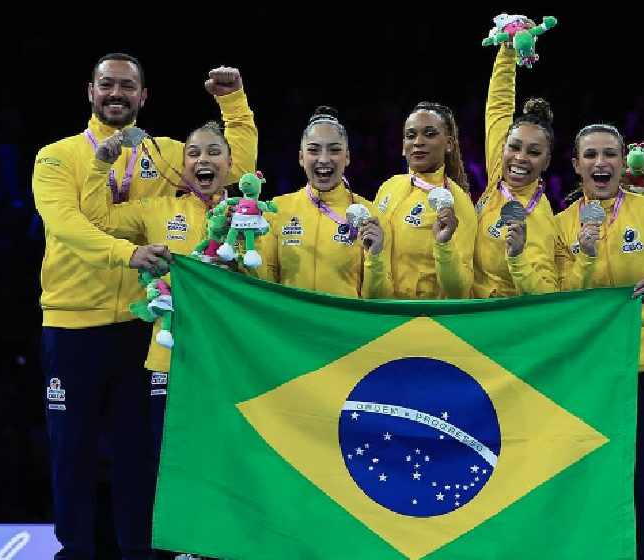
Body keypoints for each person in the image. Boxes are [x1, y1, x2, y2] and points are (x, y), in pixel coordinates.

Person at [31, 53, 257, 559]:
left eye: (127, 86)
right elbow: (71, 223)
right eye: (107, 84)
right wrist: (128, 253)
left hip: (143, 327)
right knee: (72, 454)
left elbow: (231, 167)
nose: (117, 93)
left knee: (139, 456)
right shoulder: (56, 156)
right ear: (90, 92)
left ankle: (138, 552)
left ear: (143, 96)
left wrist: (232, 102)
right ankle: (76, 552)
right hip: (73, 325)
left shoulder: (166, 153)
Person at [555, 124, 644, 560]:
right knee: (596, 468)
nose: (602, 164)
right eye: (591, 156)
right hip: (596, 367)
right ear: (576, 166)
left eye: (610, 155)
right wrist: (583, 256)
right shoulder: (562, 227)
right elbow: (561, 298)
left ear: (623, 162)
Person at [255, 106, 390, 298]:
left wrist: (375, 258)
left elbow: (379, 300)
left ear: (347, 157)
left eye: (334, 150)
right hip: (290, 326)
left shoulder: (371, 216)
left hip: (342, 326)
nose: (324, 159)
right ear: (301, 158)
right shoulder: (277, 209)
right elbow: (264, 285)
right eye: (313, 150)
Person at [473, 36, 558, 297]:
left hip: (503, 326)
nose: (520, 157)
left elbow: (548, 295)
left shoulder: (540, 219)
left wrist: (518, 258)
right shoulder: (499, 171)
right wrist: (508, 49)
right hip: (467, 311)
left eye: (533, 152)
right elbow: (498, 108)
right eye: (514, 147)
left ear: (546, 162)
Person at [373, 101, 476, 299]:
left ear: (449, 145)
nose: (418, 142)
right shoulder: (388, 187)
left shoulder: (457, 203)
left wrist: (444, 247)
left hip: (424, 319)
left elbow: (459, 291)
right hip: (382, 314)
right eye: (410, 135)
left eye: (430, 134)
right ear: (403, 147)